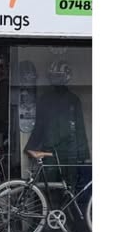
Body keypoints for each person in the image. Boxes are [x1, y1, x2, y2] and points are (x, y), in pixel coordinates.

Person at [25, 61, 90, 190]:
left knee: (69, 188)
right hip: (51, 152)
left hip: (69, 152)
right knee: (50, 187)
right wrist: (31, 147)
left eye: (59, 76)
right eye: (54, 76)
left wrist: (83, 154)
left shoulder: (73, 100)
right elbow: (39, 126)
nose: (56, 79)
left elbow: (80, 128)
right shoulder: (44, 99)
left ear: (66, 77)